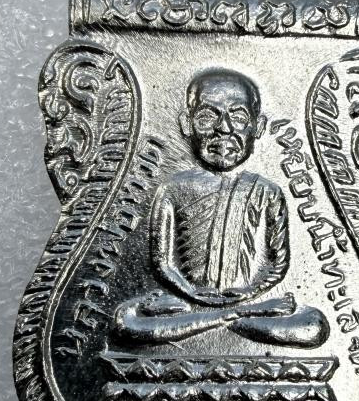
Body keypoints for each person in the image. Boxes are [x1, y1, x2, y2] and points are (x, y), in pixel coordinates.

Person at [114, 69, 329, 348]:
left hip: (237, 305)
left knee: (313, 326)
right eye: (207, 117)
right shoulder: (172, 188)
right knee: (125, 323)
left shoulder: (268, 191)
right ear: (187, 124)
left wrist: (248, 293)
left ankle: (225, 317)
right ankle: (234, 317)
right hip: (185, 305)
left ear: (258, 127)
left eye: (238, 117)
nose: (224, 128)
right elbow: (162, 262)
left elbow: (277, 263)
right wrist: (191, 293)